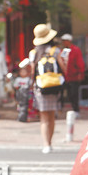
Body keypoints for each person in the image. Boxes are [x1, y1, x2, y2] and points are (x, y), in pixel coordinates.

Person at [29, 24, 62, 154]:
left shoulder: (34, 53)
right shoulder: (56, 51)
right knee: (52, 114)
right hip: (54, 85)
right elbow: (63, 68)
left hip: (40, 86)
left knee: (44, 116)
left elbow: (32, 72)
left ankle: (46, 144)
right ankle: (51, 142)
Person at [59, 33, 85, 117]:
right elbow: (62, 61)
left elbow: (80, 62)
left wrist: (80, 73)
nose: (63, 42)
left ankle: (76, 110)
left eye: (65, 41)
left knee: (74, 93)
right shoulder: (63, 51)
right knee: (69, 94)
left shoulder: (75, 50)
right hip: (66, 77)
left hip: (74, 76)